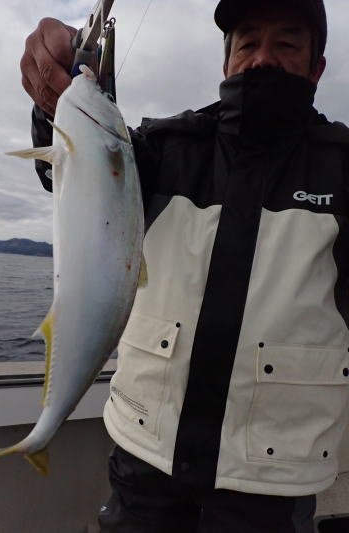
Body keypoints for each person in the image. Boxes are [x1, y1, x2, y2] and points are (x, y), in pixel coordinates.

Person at [21, 1, 349, 531]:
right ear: (226, 62)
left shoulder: (341, 168)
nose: (262, 58)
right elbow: (77, 172)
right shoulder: (166, 148)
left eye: (287, 44)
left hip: (271, 483)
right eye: (247, 42)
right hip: (143, 463)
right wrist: (51, 104)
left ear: (317, 69)